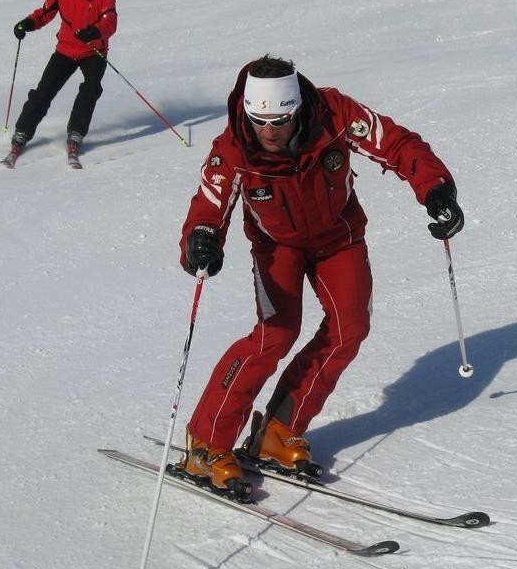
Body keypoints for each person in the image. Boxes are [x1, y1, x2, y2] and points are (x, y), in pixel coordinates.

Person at [178, 54, 464, 493]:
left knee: (350, 328)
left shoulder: (335, 114)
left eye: (280, 121)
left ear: (297, 108)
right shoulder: (233, 147)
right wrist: (202, 237)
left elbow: (396, 143)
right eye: (260, 122)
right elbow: (209, 203)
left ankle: (279, 430)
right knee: (275, 334)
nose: (269, 132)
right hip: (277, 246)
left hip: (339, 237)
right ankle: (206, 442)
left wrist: (435, 188)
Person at [2, 0, 117, 169]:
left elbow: (110, 22)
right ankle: (22, 132)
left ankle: (76, 133)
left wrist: (94, 31)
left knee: (91, 89)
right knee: (44, 92)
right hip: (66, 50)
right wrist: (27, 23)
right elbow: (44, 13)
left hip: (93, 51)